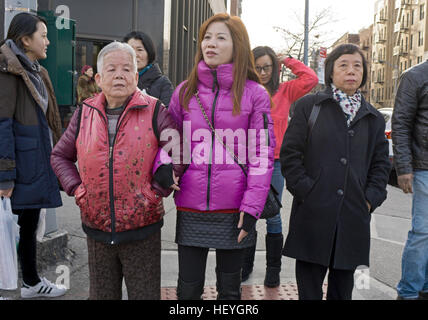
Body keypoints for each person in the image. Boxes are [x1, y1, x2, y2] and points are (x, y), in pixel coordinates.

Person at [50, 41, 185, 300]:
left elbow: (180, 152)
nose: (119, 75)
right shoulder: (84, 112)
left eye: (126, 69)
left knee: (144, 295)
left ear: (136, 76)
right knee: (102, 295)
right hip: (97, 229)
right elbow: (60, 156)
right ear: (99, 78)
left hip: (142, 228)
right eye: (111, 69)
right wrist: (78, 190)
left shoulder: (156, 109)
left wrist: (155, 191)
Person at [168, 13, 275, 300]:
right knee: (187, 290)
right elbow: (168, 140)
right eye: (206, 37)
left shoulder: (255, 94)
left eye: (220, 37)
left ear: (237, 45)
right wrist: (165, 167)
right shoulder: (184, 91)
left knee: (229, 291)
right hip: (190, 205)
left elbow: (262, 155)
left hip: (235, 210)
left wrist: (252, 208)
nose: (210, 43)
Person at [280, 44, 391, 300]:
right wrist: (305, 189)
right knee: (309, 290)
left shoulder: (373, 118)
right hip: (313, 212)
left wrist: (369, 199)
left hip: (353, 216)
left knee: (342, 292)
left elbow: (380, 165)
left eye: (357, 66)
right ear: (331, 72)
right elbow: (291, 153)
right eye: (343, 65)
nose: (351, 71)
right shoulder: (311, 106)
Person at [0, 12, 67, 299]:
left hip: (36, 163)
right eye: (43, 35)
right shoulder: (6, 71)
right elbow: (2, 124)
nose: (48, 41)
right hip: (16, 167)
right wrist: (5, 175)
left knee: (28, 225)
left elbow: (49, 120)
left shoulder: (37, 71)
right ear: (25, 40)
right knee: (4, 231)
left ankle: (31, 282)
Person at [241, 46, 318, 287]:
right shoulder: (244, 91)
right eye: (258, 67)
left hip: (274, 162)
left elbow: (311, 79)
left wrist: (287, 60)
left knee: (273, 215)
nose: (262, 72)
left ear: (274, 69)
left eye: (267, 67)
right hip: (247, 161)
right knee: (247, 213)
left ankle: (273, 269)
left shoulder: (285, 91)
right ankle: (246, 264)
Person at [392, 60, 428, 300]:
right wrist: (404, 167)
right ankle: (408, 292)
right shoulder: (415, 76)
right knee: (423, 232)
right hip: (425, 167)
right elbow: (401, 123)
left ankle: (424, 288)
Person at [124, 31, 174, 106]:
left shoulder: (163, 83)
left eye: (139, 50)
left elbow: (167, 115)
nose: (134, 54)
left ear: (149, 53)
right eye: (130, 50)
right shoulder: (118, 80)